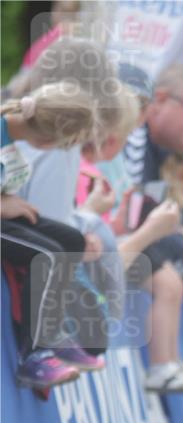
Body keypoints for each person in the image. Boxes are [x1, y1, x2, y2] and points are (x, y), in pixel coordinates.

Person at [1, 83, 97, 391]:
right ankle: (36, 355)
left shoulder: (11, 134)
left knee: (71, 242)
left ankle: (53, 330)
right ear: (46, 139)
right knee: (47, 256)